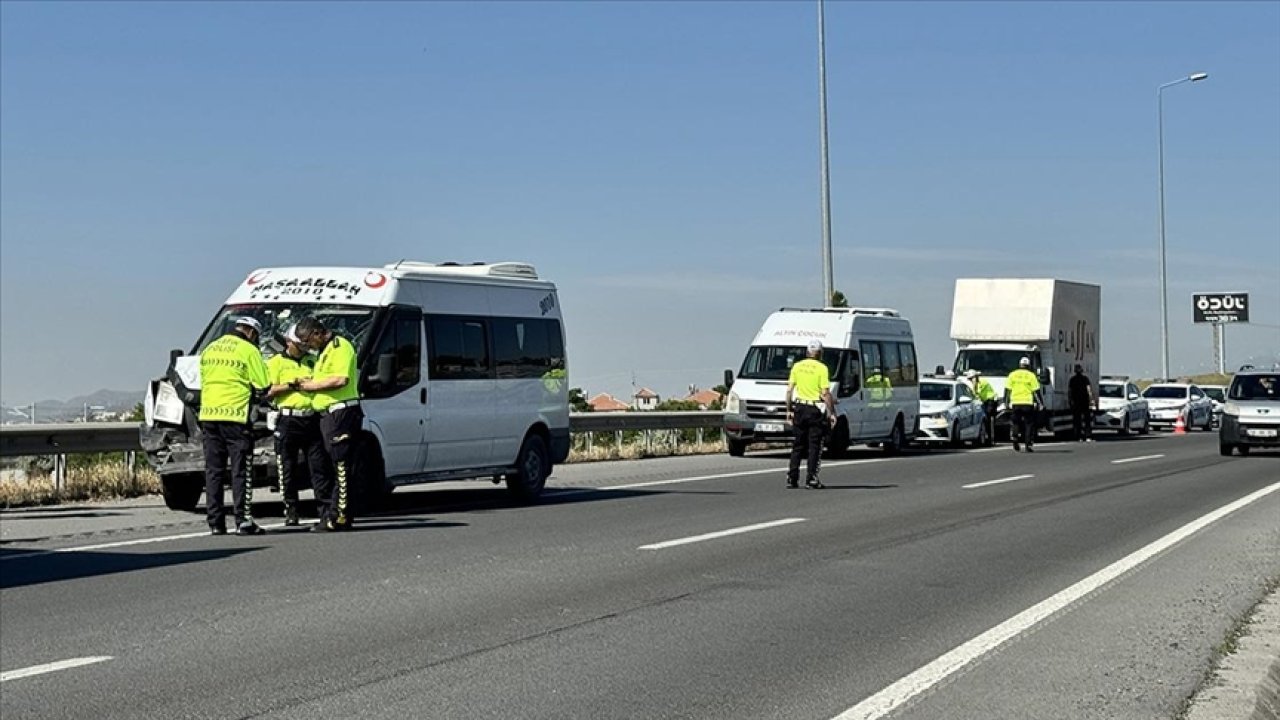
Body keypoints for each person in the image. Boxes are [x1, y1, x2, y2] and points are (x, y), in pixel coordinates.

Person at [199, 316, 270, 535]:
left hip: (209, 415)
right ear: (252, 333)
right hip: (235, 417)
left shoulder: (210, 349)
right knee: (241, 471)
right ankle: (243, 520)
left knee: (214, 472)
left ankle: (216, 524)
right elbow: (263, 384)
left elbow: (202, 379)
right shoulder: (248, 350)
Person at [294, 317, 362, 532]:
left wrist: (312, 385)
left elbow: (341, 379)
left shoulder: (339, 346)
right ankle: (329, 515)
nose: (306, 345)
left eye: (307, 340)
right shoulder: (323, 351)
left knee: (341, 467)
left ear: (317, 333)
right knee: (324, 468)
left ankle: (341, 516)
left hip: (341, 412)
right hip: (326, 415)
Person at [265, 324, 334, 527]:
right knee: (287, 468)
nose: (304, 347)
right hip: (288, 419)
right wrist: (291, 385)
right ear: (289, 342)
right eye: (299, 344)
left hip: (311, 418)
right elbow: (267, 391)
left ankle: (325, 511)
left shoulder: (313, 360)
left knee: (319, 468)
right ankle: (291, 511)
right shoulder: (275, 363)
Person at [785, 340, 836, 489]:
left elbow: (789, 390)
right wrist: (831, 412)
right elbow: (825, 393)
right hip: (814, 409)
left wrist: (789, 410)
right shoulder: (822, 368)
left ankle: (792, 477)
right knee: (814, 445)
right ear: (820, 353)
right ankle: (811, 478)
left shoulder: (797, 366)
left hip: (800, 407)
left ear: (807, 352)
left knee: (798, 444)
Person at [1004, 357, 1042, 453]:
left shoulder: (1012, 374)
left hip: (1016, 402)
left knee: (1015, 422)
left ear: (1019, 365)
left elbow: (1007, 390)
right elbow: (1036, 391)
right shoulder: (1031, 375)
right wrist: (1041, 403)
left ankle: (1015, 437)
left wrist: (1006, 402)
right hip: (1027, 402)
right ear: (1028, 366)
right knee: (1029, 424)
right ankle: (1028, 444)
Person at [965, 369, 998, 444]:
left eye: (971, 378)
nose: (971, 380)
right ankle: (988, 437)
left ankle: (991, 438)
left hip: (991, 401)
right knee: (985, 419)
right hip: (985, 401)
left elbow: (977, 393)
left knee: (988, 419)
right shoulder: (976, 384)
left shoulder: (982, 382)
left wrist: (973, 386)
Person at [1068, 364, 1096, 442]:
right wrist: (1091, 400)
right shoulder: (1085, 379)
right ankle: (1088, 436)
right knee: (1087, 420)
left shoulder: (1072, 379)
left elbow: (1069, 392)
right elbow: (1089, 390)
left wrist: (1070, 401)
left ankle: (1078, 436)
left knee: (1077, 420)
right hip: (1084, 402)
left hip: (1077, 402)